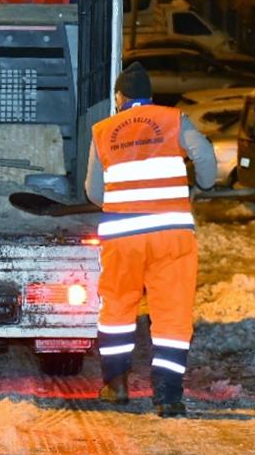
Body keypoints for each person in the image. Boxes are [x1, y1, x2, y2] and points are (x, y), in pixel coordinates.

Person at [84, 63, 217, 417]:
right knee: (172, 316)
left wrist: (118, 200)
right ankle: (169, 397)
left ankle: (117, 385)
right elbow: (204, 156)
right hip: (171, 236)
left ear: (119, 98)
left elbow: (93, 190)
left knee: (117, 310)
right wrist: (204, 183)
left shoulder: (103, 130)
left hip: (123, 239)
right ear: (150, 96)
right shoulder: (173, 120)